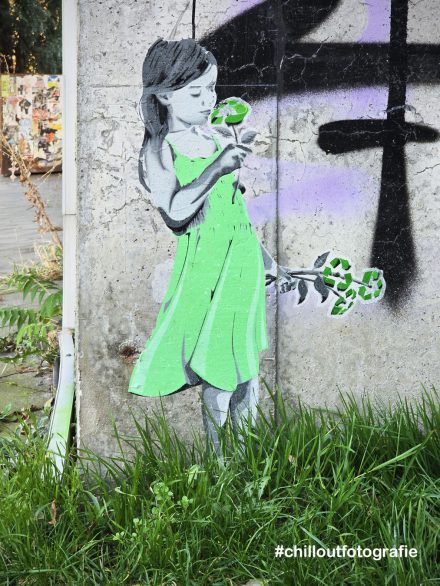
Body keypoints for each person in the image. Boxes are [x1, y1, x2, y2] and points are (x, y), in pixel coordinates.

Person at [128, 38, 293, 458]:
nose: (209, 101)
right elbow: (174, 212)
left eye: (212, 90)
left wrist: (267, 261)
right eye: (196, 92)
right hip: (206, 270)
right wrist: (216, 170)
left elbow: (236, 214)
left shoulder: (214, 137)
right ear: (164, 95)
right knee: (219, 372)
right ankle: (220, 469)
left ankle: (247, 462)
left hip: (241, 266)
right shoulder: (160, 150)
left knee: (245, 370)